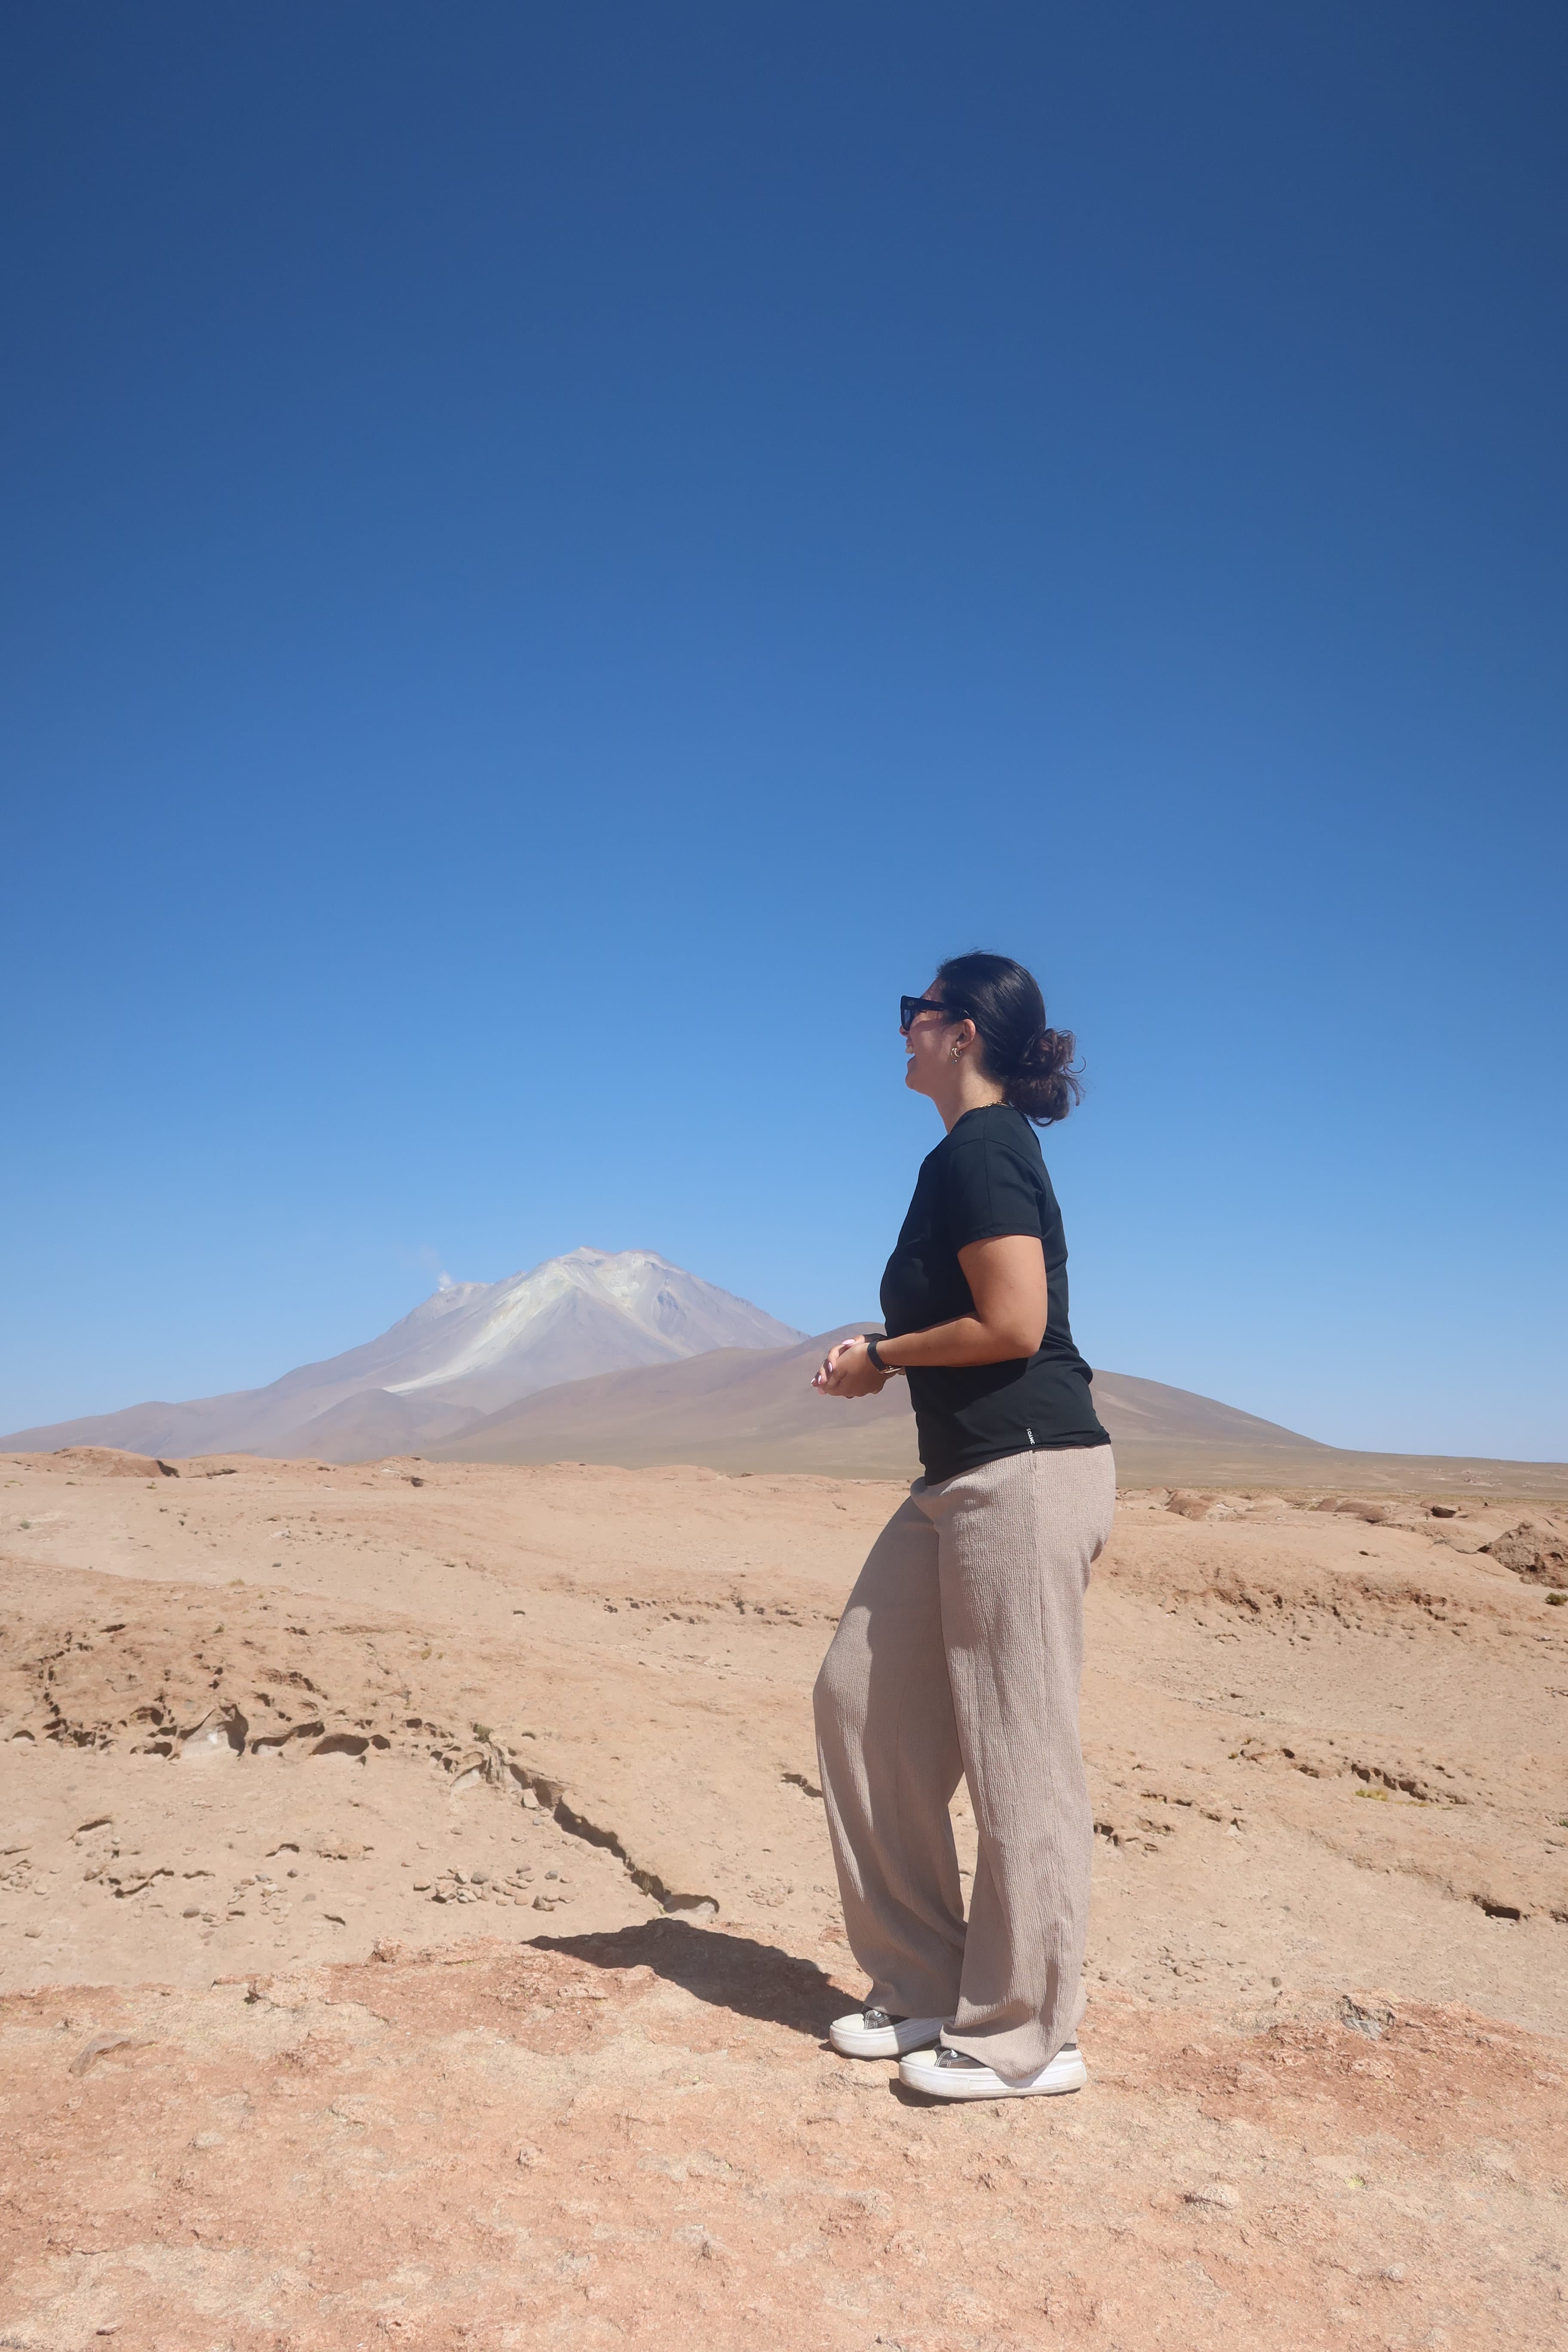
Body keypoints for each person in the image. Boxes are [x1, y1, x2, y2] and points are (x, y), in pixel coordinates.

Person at [810, 950, 1113, 2101]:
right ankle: (928, 1979)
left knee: (1017, 1751)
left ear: (964, 1031)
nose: (903, 1031)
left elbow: (1016, 1321)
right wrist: (884, 1359)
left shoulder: (984, 1150)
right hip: (959, 1478)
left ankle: (1029, 2036)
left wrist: (881, 1355)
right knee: (859, 1697)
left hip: (1026, 1473)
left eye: (915, 1013)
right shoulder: (957, 1157)